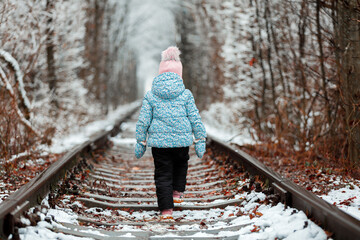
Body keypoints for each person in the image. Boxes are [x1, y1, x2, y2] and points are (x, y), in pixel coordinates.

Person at [135, 46, 206, 220]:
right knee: (181, 165)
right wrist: (200, 138)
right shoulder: (186, 95)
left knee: (163, 175)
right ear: (179, 75)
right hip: (181, 143)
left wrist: (140, 141)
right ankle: (177, 192)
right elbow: (195, 118)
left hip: (160, 145)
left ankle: (166, 210)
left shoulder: (151, 95)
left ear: (160, 74)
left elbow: (143, 120)